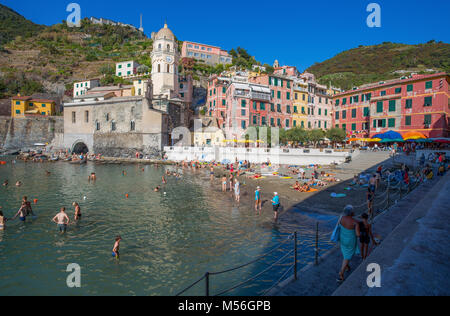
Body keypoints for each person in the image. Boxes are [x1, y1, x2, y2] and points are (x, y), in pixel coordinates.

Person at [338, 205, 360, 282]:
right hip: (351, 241)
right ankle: (341, 272)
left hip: (342, 239)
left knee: (345, 253)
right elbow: (357, 234)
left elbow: (339, 226)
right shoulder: (355, 222)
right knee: (347, 256)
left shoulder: (341, 218)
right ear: (351, 213)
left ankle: (347, 267)